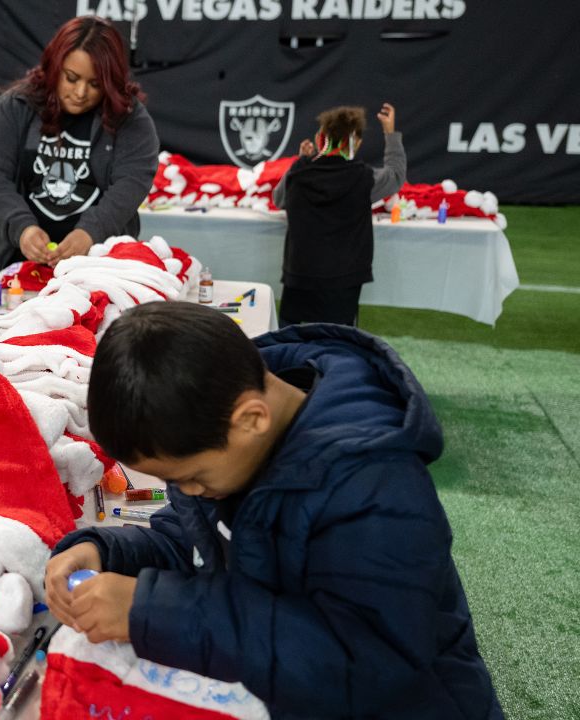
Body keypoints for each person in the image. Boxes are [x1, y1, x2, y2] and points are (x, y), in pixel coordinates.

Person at [44, 302, 502, 718]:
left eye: (191, 477)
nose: (187, 491)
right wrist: (104, 551)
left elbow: (366, 666)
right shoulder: (220, 424)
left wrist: (154, 612)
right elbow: (191, 543)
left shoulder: (375, 484)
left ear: (251, 419)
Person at [0, 16, 159, 272]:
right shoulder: (16, 105)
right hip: (18, 262)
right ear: (54, 67)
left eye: (95, 84)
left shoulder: (130, 117)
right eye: (71, 78)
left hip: (101, 263)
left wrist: (90, 233)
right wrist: (22, 228)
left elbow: (131, 183)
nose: (81, 93)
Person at [273, 103, 406, 326]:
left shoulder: (299, 174)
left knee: (291, 340)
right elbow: (395, 175)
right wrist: (390, 133)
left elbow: (279, 199)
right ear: (357, 142)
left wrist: (301, 162)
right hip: (345, 279)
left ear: (319, 139)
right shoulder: (364, 178)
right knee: (340, 343)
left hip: (300, 275)